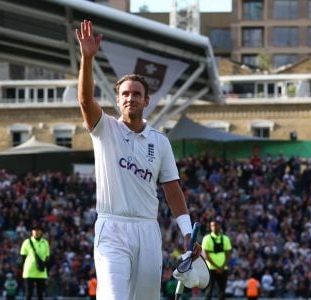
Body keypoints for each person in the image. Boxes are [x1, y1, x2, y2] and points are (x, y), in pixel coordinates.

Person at [75, 19, 201, 300]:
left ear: (147, 101)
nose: (130, 97)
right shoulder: (105, 128)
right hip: (112, 228)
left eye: (137, 94)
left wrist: (186, 232)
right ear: (118, 100)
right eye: (125, 94)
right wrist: (87, 58)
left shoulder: (160, 141)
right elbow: (85, 101)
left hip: (147, 230)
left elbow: (172, 190)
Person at [202, 219, 232, 300]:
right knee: (209, 290)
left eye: (216, 225)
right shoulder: (206, 238)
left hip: (223, 268)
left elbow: (228, 254)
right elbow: (206, 255)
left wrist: (222, 267)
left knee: (222, 291)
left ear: (219, 226)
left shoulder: (225, 238)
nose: (214, 227)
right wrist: (218, 267)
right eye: (212, 225)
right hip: (211, 268)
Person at [20, 224, 50, 300]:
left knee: (40, 295)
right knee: (29, 294)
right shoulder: (26, 242)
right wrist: (23, 270)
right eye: (34, 230)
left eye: (38, 230)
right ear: (32, 232)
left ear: (41, 232)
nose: (36, 232)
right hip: (29, 271)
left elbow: (47, 257)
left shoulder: (45, 243)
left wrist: (46, 269)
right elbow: (23, 258)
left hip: (41, 272)